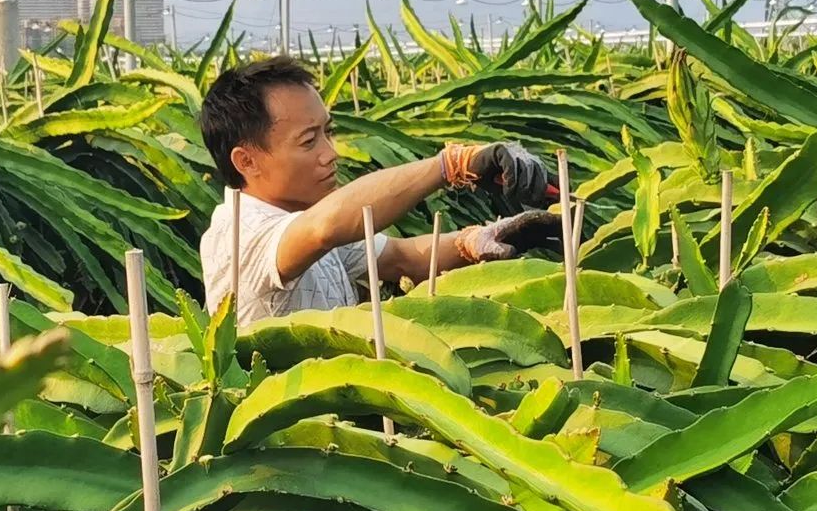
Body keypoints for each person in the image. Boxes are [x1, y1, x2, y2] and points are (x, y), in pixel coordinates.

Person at [199, 56, 561, 326]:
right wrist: (452, 165)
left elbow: (403, 257)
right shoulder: (240, 236)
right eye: (309, 141)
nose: (330, 153)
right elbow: (325, 227)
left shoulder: (299, 215)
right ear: (247, 161)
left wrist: (479, 239)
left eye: (328, 132)